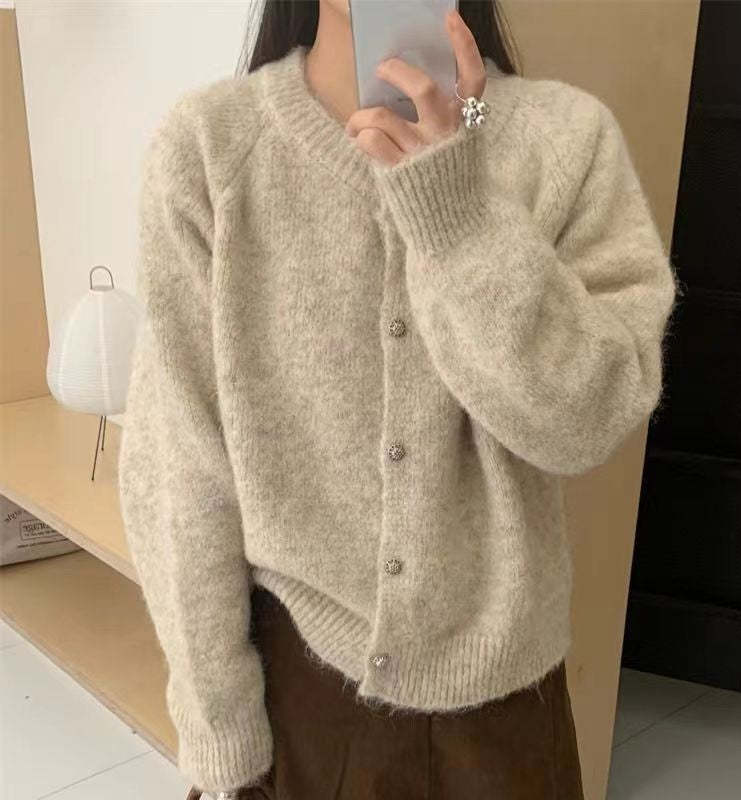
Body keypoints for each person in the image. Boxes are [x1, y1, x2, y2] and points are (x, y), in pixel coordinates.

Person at [117, 0, 680, 798]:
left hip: (509, 709)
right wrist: (220, 727)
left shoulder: (565, 138)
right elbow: (182, 468)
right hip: (296, 698)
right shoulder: (210, 148)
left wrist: (459, 214)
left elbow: (587, 421)